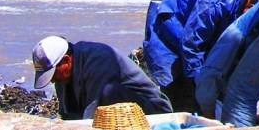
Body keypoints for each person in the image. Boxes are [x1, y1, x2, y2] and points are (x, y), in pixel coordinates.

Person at [143, 0, 259, 112]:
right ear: (249, 7)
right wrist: (201, 84)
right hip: (171, 26)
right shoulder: (210, 5)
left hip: (201, 29)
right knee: (178, 88)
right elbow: (190, 45)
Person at [32, 36, 172, 120]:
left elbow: (94, 109)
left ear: (67, 60)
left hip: (153, 112)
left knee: (109, 91)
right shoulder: (63, 74)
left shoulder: (100, 57)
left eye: (53, 74)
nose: (52, 80)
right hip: (108, 113)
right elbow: (66, 113)